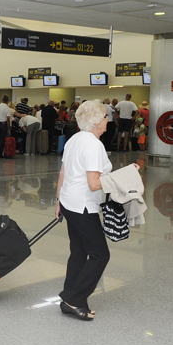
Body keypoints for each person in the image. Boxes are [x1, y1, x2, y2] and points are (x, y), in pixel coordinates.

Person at [54, 99, 139, 321]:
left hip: (69, 202)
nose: (107, 119)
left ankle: (68, 299)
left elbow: (63, 173)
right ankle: (74, 299)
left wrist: (58, 202)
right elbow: (94, 183)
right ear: (94, 122)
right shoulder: (93, 145)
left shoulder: (74, 140)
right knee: (100, 254)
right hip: (82, 206)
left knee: (79, 253)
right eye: (104, 116)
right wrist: (124, 176)